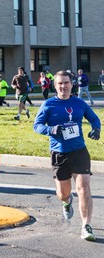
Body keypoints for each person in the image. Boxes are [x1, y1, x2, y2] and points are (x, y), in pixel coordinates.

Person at [33, 70, 101, 242]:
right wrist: (51, 130)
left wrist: (96, 129)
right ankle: (66, 201)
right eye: (60, 83)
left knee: (84, 187)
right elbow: (37, 125)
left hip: (79, 151)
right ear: (55, 86)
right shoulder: (48, 105)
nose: (63, 86)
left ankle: (86, 226)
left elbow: (94, 118)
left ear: (72, 85)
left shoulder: (79, 103)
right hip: (59, 153)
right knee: (62, 193)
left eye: (66, 83)